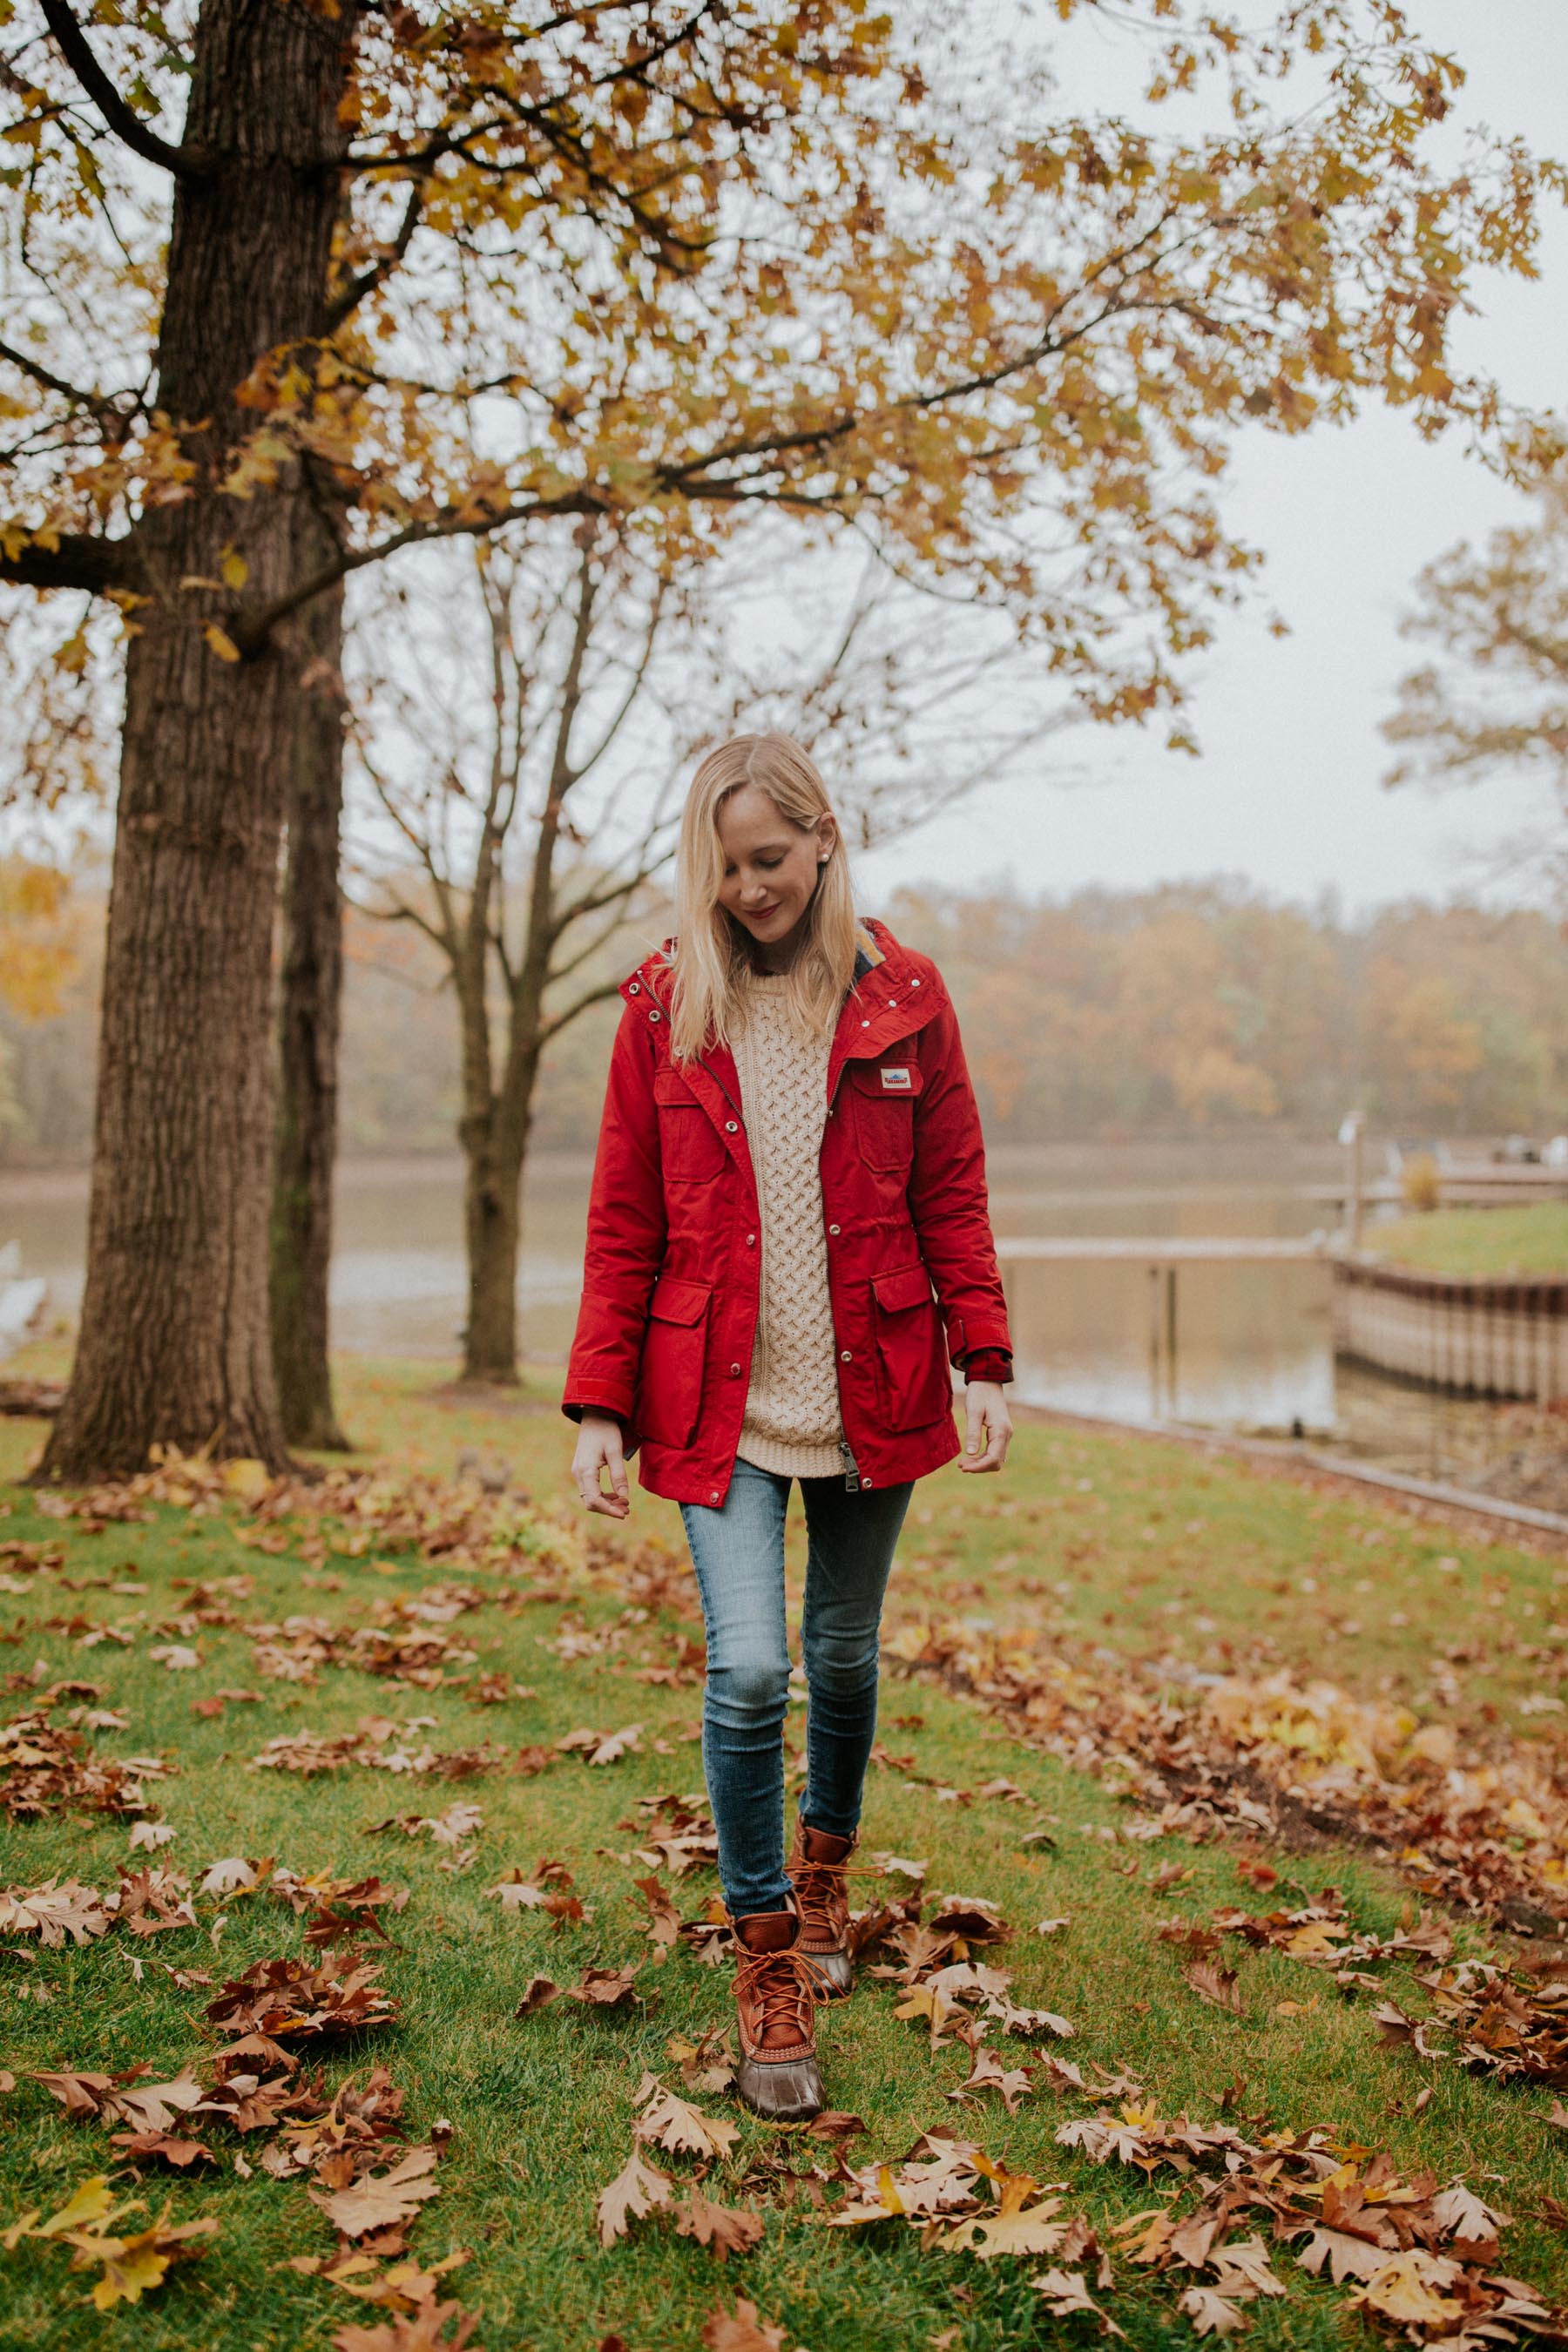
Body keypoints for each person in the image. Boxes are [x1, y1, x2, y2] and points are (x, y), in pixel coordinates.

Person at [564, 731, 1012, 2119]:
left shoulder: (909, 999)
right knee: (753, 1672)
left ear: (825, 840)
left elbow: (954, 1195)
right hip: (715, 1399)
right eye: (727, 865)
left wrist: (981, 1354)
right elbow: (624, 1221)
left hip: (871, 1380)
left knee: (844, 1654)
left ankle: (826, 1870)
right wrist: (595, 1405)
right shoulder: (660, 1007)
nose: (751, 887)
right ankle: (768, 1954)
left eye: (772, 858)